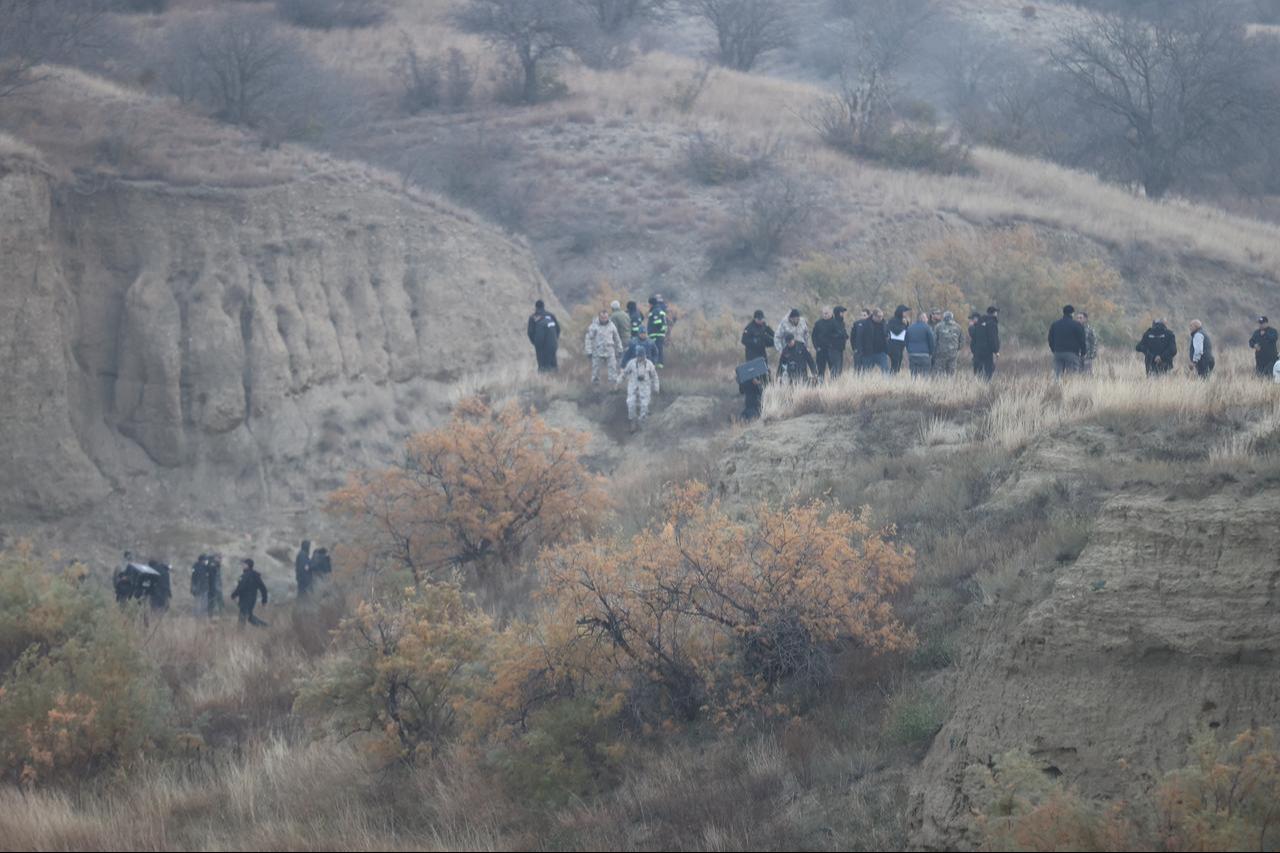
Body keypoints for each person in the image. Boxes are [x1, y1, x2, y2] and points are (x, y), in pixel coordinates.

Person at [618, 347, 659, 432]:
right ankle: (632, 421)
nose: (640, 358)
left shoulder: (649, 364)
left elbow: (655, 377)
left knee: (644, 405)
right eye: (639, 356)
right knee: (630, 403)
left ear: (644, 356)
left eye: (642, 356)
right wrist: (618, 381)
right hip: (633, 385)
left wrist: (656, 387)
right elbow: (624, 373)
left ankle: (642, 423)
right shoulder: (631, 363)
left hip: (645, 387)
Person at [585, 310, 624, 384]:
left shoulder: (612, 325)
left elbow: (617, 338)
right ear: (599, 317)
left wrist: (620, 349)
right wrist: (588, 351)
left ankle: (613, 387)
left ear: (608, 317)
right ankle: (595, 387)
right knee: (596, 370)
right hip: (597, 350)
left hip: (610, 350)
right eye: (602, 317)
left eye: (606, 317)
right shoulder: (593, 326)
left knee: (613, 369)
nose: (604, 319)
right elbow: (588, 338)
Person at [1048, 304, 1087, 377]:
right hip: (1072, 354)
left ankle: (1056, 388)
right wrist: (1083, 353)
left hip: (1058, 353)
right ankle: (1070, 388)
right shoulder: (1077, 325)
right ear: (1072, 313)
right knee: (1072, 376)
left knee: (1057, 376)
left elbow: (1050, 339)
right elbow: (1082, 340)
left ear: (1063, 313)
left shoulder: (1055, 324)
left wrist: (1054, 350)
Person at [231, 558, 269, 628]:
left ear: (247, 565)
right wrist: (264, 600)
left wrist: (233, 595)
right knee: (249, 617)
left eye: (243, 564)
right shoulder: (256, 575)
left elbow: (240, 587)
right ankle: (265, 626)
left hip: (245, 600)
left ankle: (240, 633)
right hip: (252, 599)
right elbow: (263, 588)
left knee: (242, 616)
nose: (242, 565)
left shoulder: (244, 576)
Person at [813, 306, 849, 379]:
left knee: (833, 370)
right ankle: (820, 384)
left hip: (832, 350)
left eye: (827, 313)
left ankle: (833, 385)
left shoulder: (836, 322)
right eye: (823, 313)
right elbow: (814, 336)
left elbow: (842, 334)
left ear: (831, 313)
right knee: (820, 370)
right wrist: (816, 347)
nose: (825, 315)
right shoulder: (818, 323)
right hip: (821, 350)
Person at [527, 300, 561, 372]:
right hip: (552, 343)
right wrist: (555, 339)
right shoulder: (551, 316)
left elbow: (530, 333)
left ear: (536, 307)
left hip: (540, 345)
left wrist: (535, 342)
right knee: (553, 363)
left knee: (542, 365)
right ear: (543, 306)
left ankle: (544, 380)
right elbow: (558, 329)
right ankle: (555, 379)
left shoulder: (533, 318)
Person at [855, 308, 889, 373]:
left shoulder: (884, 323)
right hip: (868, 353)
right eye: (879, 316)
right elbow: (859, 338)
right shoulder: (865, 324)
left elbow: (887, 335)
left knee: (885, 370)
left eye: (882, 316)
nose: (881, 318)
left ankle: (888, 383)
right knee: (866, 372)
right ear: (874, 316)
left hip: (881, 352)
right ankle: (866, 383)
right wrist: (860, 351)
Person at [904, 311, 936, 377]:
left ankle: (914, 386)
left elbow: (906, 341)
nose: (927, 319)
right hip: (924, 355)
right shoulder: (927, 328)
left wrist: (909, 350)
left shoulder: (910, 328)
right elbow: (931, 342)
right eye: (926, 318)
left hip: (912, 355)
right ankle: (923, 386)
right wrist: (931, 353)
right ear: (922, 318)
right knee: (925, 375)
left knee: (913, 374)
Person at [971, 309, 1000, 380]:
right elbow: (993, 338)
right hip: (988, 351)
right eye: (996, 313)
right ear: (994, 313)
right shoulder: (992, 323)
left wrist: (974, 350)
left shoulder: (980, 322)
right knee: (989, 370)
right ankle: (986, 385)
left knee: (978, 370)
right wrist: (996, 351)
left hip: (978, 351)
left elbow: (974, 337)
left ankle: (978, 384)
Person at [933, 311, 963, 375]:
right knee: (951, 373)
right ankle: (950, 384)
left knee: (939, 373)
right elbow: (962, 340)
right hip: (953, 354)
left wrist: (936, 350)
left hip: (940, 354)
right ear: (952, 317)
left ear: (944, 317)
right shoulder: (958, 327)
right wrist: (957, 349)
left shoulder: (938, 326)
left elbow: (934, 340)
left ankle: (940, 384)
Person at [646, 295, 669, 367]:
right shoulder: (660, 310)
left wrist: (654, 332)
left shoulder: (655, 311)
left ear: (651, 304)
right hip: (660, 334)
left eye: (649, 304)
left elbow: (658, 322)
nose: (648, 305)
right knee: (659, 348)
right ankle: (659, 364)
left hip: (656, 334)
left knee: (656, 349)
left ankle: (656, 364)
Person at [887, 305, 910, 373]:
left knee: (898, 365)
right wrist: (904, 324)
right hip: (894, 345)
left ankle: (894, 378)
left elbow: (906, 333)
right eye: (905, 312)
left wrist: (907, 324)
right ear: (901, 312)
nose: (906, 314)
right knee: (895, 365)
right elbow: (896, 332)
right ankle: (890, 379)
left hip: (901, 346)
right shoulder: (893, 320)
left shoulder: (903, 321)